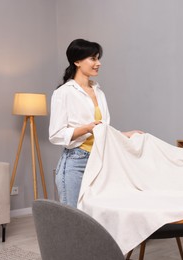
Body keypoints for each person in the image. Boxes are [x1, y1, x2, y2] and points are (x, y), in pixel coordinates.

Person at [49, 39, 142, 208]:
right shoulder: (63, 93)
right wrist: (86, 128)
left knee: (99, 217)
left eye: (98, 58)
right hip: (75, 163)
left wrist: (125, 134)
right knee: (74, 220)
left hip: (99, 161)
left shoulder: (99, 92)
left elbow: (101, 130)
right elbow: (56, 135)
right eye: (93, 58)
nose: (98, 63)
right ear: (77, 61)